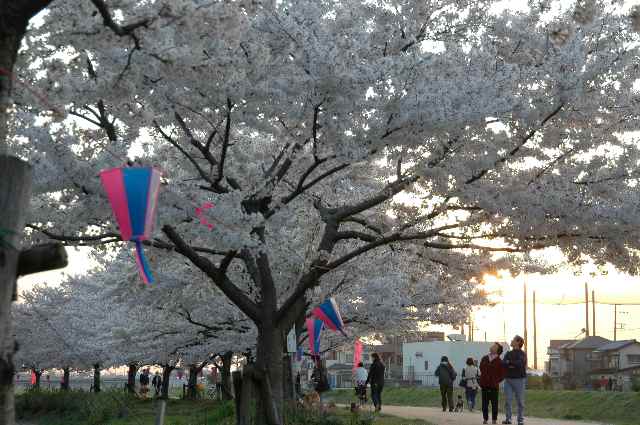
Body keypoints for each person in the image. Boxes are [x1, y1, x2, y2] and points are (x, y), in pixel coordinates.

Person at [503, 335, 527, 425]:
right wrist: (512, 364)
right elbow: (503, 363)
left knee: (520, 401)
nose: (511, 340)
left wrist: (509, 363)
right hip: (508, 379)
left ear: (518, 342)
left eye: (513, 340)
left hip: (519, 379)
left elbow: (520, 364)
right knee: (508, 400)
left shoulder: (522, 354)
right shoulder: (508, 353)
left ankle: (520, 420)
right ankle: (508, 419)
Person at [480, 342, 506, 425]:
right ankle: (485, 419)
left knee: (494, 404)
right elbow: (481, 368)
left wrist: (495, 380)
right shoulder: (484, 358)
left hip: (494, 386)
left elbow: (502, 375)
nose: (491, 347)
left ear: (497, 350)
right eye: (492, 346)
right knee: (484, 403)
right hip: (484, 385)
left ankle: (494, 419)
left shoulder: (499, 361)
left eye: (494, 346)